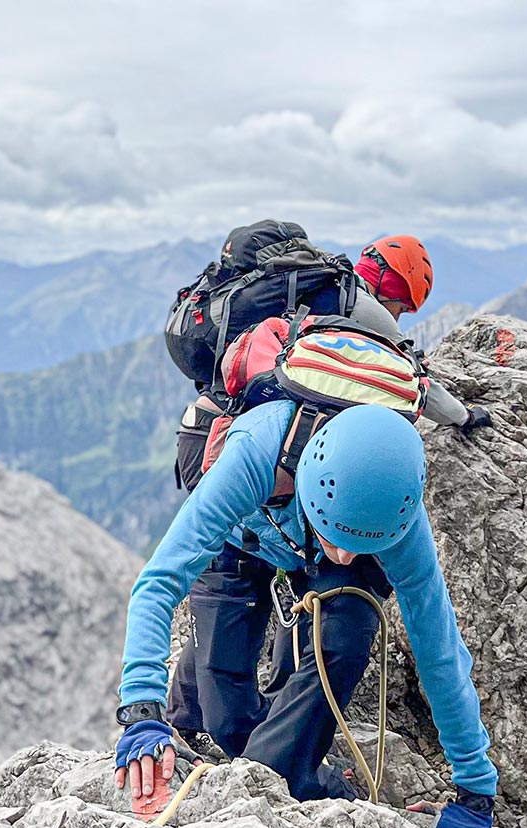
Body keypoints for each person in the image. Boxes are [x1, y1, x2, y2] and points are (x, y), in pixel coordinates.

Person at [118, 388, 499, 828]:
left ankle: (306, 782)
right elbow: (160, 581)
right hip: (246, 536)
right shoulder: (255, 455)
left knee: (338, 648)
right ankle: (192, 719)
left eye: (358, 546)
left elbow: (439, 647)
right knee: (227, 722)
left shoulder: (398, 521)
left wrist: (476, 788)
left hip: (322, 539)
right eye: (336, 538)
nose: (345, 555)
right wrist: (141, 711)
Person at [166, 236, 491, 765]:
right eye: (402, 306)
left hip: (209, 440)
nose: (399, 316)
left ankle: (189, 719)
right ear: (397, 293)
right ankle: (266, 733)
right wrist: (466, 416)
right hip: (260, 471)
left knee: (227, 595)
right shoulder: (367, 319)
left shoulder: (308, 301)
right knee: (302, 583)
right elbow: (420, 385)